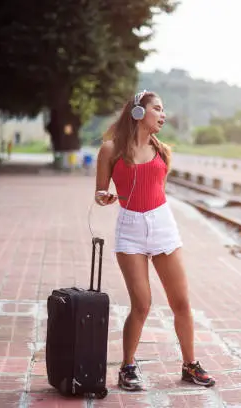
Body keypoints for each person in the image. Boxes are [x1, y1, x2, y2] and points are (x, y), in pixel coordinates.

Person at [94, 90, 216, 391]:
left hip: (162, 226)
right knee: (142, 304)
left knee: (181, 303)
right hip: (130, 229)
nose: (163, 115)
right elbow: (99, 194)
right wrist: (105, 197)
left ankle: (190, 365)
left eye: (164, 110)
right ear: (138, 112)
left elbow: (156, 189)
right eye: (157, 109)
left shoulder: (162, 150)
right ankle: (128, 366)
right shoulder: (110, 150)